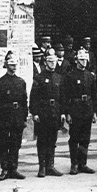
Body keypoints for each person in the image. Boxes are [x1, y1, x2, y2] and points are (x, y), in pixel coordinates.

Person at [0, 51, 28, 181]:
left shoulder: (21, 82)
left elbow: (24, 101)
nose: (14, 67)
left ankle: (14, 169)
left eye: (15, 64)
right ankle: (5, 169)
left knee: (16, 143)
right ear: (6, 65)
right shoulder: (0, 83)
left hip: (17, 116)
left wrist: (24, 118)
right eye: (11, 64)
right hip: (4, 116)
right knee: (4, 143)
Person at [30, 48, 65, 177]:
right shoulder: (39, 78)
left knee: (52, 140)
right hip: (43, 112)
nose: (52, 64)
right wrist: (35, 113)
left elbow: (62, 97)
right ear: (45, 62)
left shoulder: (59, 78)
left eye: (54, 61)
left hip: (55, 112)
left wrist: (62, 112)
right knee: (42, 140)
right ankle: (42, 167)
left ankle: (50, 166)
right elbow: (34, 97)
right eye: (50, 61)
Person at [63, 48, 96, 175]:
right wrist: (67, 113)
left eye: (85, 59)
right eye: (81, 59)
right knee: (74, 138)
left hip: (87, 109)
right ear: (76, 60)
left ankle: (83, 163)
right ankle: (74, 164)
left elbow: (94, 95)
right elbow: (66, 95)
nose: (84, 62)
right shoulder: (70, 76)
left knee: (85, 138)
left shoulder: (90, 76)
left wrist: (93, 112)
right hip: (75, 109)